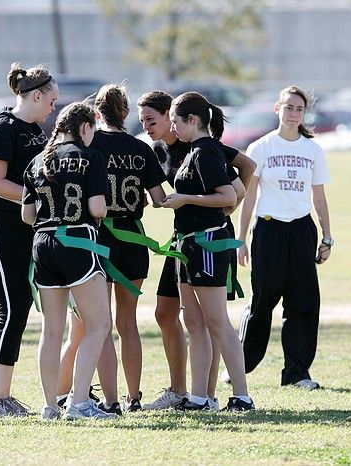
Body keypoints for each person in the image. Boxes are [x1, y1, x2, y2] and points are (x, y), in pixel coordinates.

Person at [136, 90, 253, 410]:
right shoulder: (185, 151)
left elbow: (230, 194)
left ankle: (241, 396)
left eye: (173, 120)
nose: (170, 128)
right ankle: (200, 397)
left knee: (217, 321)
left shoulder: (205, 150)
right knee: (194, 322)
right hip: (186, 242)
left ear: (191, 120)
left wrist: (189, 201)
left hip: (207, 243)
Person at [55, 84, 167, 414]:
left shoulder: (91, 145)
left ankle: (112, 400)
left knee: (98, 326)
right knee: (128, 324)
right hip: (133, 240)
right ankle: (134, 397)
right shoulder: (141, 147)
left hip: (99, 239)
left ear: (97, 114)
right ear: (127, 113)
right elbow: (160, 198)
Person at [0, 63, 58, 417]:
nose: (54, 107)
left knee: (20, 305)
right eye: (51, 99)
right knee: (10, 306)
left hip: (24, 226)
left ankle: (3, 395)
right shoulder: (2, 126)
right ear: (36, 95)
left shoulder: (36, 130)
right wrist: (38, 200)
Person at [22, 102, 115, 420]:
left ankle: (50, 406)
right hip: (77, 241)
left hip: (42, 243)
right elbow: (98, 208)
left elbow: (27, 215)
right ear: (85, 128)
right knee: (99, 325)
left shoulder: (36, 161)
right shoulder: (91, 157)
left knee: (51, 331)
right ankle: (79, 403)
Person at [236, 85, 333, 390]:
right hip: (269, 229)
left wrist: (327, 236)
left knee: (304, 301)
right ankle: (240, 364)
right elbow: (249, 197)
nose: (293, 114)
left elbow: (319, 196)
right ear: (277, 109)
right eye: (288, 107)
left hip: (302, 230)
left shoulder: (312, 150)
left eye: (299, 109)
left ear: (305, 114)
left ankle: (297, 372)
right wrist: (242, 239)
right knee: (263, 300)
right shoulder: (261, 148)